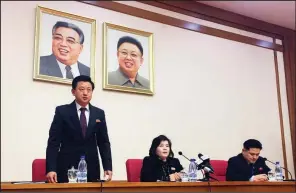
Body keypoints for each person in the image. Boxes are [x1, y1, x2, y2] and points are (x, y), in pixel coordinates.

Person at [46, 75, 112, 183]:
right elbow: (53, 142)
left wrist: (107, 167)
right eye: (81, 89)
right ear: (73, 92)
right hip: (67, 167)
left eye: (89, 90)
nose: (85, 93)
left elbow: (104, 142)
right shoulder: (62, 112)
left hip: (91, 168)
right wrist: (51, 169)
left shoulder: (99, 114)